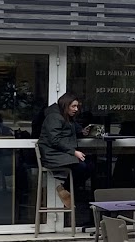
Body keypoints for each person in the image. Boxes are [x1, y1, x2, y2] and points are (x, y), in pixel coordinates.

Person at [38, 92, 94, 226]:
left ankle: (65, 190)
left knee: (90, 165)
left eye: (77, 106)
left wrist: (82, 131)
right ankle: (65, 189)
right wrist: (74, 152)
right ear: (65, 105)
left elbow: (70, 129)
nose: (76, 109)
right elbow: (54, 140)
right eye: (73, 106)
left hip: (61, 153)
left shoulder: (65, 116)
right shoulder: (54, 117)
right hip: (52, 155)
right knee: (82, 166)